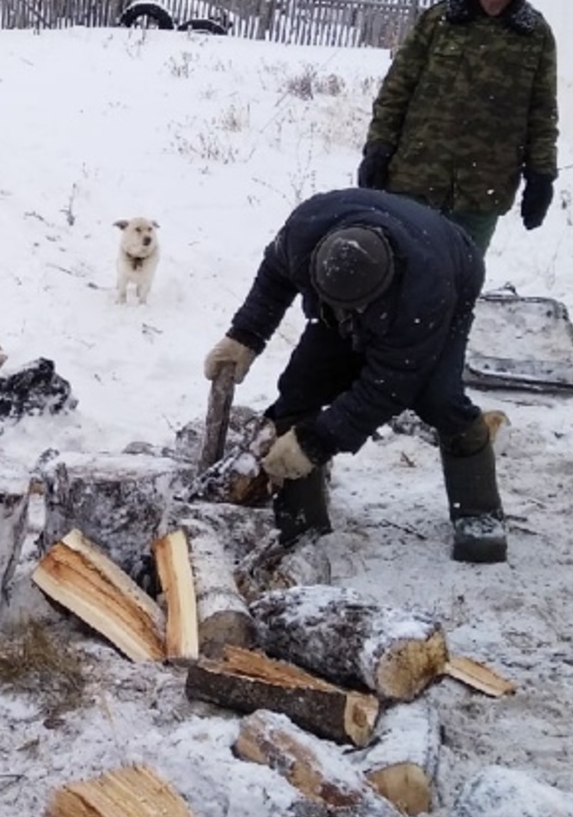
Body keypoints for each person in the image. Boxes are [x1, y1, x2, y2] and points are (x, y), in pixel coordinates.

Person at [203, 187, 506, 563]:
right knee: (300, 387)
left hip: (453, 268)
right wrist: (245, 335)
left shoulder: (425, 293)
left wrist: (317, 442)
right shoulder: (304, 232)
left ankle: (478, 512)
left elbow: (389, 385)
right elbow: (275, 278)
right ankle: (302, 517)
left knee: (439, 398)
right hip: (358, 271)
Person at [358, 0, 558, 258]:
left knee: (460, 275)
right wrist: (378, 147)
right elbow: (397, 89)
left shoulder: (535, 35)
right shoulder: (439, 21)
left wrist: (541, 175)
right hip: (413, 177)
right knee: (398, 266)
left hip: (482, 190)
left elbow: (542, 113)